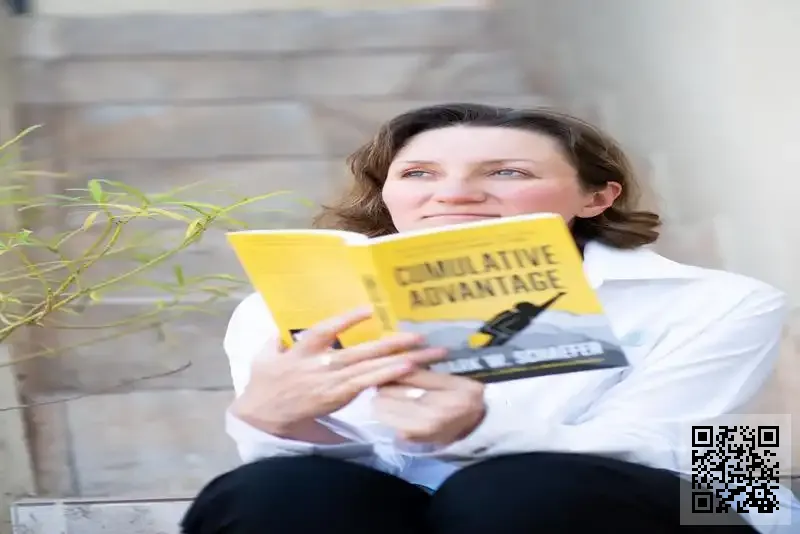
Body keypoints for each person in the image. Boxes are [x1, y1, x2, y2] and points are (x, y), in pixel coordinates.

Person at [181, 103, 791, 534]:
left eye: (507, 172)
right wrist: (277, 423)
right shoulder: (277, 306)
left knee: (516, 491)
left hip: (684, 507)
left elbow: (682, 455)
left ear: (597, 197)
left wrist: (477, 430)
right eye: (419, 174)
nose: (453, 194)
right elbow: (334, 487)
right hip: (419, 510)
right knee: (274, 491)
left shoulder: (720, 299)